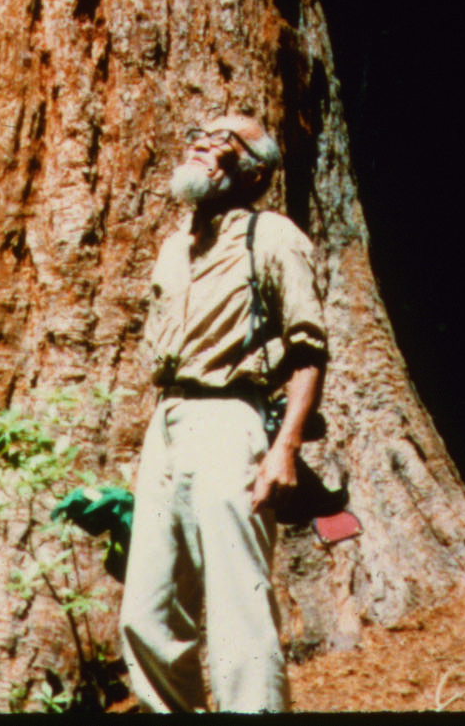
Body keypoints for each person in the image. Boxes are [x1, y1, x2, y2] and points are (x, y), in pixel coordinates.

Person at [118, 113, 327, 713]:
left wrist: (285, 448)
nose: (202, 145)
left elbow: (309, 349)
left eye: (223, 141)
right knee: (145, 615)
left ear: (254, 172)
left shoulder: (273, 236)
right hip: (169, 424)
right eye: (198, 135)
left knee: (239, 612)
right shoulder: (173, 246)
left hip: (233, 422)